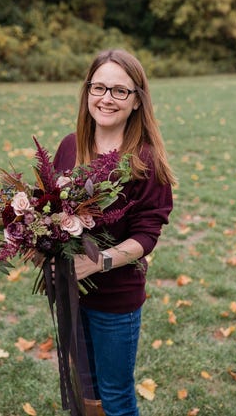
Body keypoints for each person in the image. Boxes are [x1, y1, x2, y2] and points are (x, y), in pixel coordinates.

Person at [52, 49, 175, 416]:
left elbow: (147, 234)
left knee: (116, 397)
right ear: (87, 91)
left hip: (115, 302)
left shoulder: (145, 161)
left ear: (137, 100)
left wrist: (97, 263)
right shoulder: (70, 146)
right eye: (99, 87)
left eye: (119, 91)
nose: (106, 98)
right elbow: (52, 211)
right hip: (69, 294)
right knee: (86, 393)